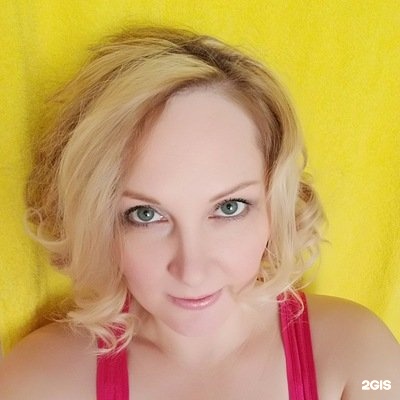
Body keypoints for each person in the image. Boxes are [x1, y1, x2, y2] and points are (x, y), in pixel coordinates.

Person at [0, 26, 399, 400]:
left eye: (229, 208)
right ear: (97, 219)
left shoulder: (358, 359)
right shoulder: (41, 380)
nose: (192, 271)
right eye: (145, 214)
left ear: (275, 205)